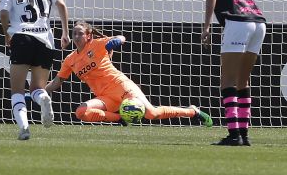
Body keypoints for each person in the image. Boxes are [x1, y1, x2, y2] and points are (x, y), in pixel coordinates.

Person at [45, 21, 213, 126]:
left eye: (80, 33)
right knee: (81, 112)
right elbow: (57, 82)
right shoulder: (70, 59)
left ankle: (192, 111)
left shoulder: (96, 45)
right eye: (74, 33)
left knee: (152, 114)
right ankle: (120, 119)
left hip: (121, 86)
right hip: (105, 97)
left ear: (88, 35)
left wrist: (117, 41)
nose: (76, 36)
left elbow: (121, 37)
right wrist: (40, 92)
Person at [201, 0, 266, 146]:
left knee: (228, 80)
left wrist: (207, 26)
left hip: (237, 22)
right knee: (243, 80)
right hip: (258, 22)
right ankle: (244, 135)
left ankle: (233, 134)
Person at [0, 0, 70, 140]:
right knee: (37, 88)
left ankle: (24, 128)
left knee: (17, 90)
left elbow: (4, 13)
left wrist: (7, 33)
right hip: (45, 41)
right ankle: (43, 98)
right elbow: (62, 5)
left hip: (22, 37)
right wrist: (65, 32)